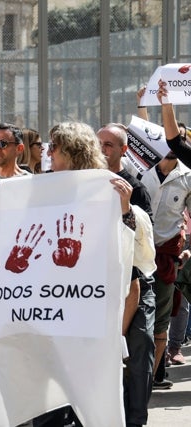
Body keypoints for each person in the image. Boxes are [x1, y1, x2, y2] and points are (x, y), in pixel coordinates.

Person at [30, 121, 154, 427]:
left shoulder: (112, 189)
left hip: (89, 309)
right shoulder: (40, 187)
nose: (48, 152)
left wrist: (124, 210)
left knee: (91, 392)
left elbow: (132, 261)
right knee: (51, 394)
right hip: (51, 307)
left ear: (70, 152)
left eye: (54, 147)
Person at [97, 123, 156, 427]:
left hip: (134, 284)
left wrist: (125, 209)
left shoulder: (136, 189)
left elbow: (140, 248)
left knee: (140, 346)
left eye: (108, 144)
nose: (102, 149)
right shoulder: (88, 182)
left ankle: (135, 419)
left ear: (123, 150)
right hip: (97, 284)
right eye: (99, 143)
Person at [137, 80, 191, 390]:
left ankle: (155, 373)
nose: (172, 143)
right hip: (137, 253)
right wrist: (147, 104)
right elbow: (148, 138)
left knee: (162, 315)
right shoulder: (142, 167)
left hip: (166, 256)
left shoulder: (187, 176)